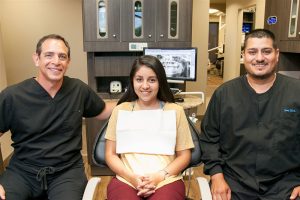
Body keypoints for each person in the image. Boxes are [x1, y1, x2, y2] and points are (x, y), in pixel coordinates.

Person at [0, 34, 115, 200]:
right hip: (22, 171)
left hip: (66, 172)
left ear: (68, 62)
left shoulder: (78, 89)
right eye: (49, 55)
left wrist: (138, 102)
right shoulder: (12, 96)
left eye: (62, 56)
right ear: (36, 58)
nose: (56, 61)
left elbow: (103, 110)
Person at [199, 28, 300, 200]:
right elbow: (209, 140)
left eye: (266, 51)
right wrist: (216, 176)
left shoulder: (296, 91)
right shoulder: (224, 94)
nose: (259, 58)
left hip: (286, 185)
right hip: (234, 183)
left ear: (277, 54)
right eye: (252, 52)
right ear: (244, 55)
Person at [104, 55, 194, 199]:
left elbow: (184, 156)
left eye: (152, 80)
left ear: (160, 82)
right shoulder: (121, 110)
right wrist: (132, 178)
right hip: (126, 180)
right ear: (132, 81)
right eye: (139, 79)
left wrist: (160, 176)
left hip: (166, 180)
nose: (145, 86)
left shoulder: (175, 111)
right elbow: (110, 154)